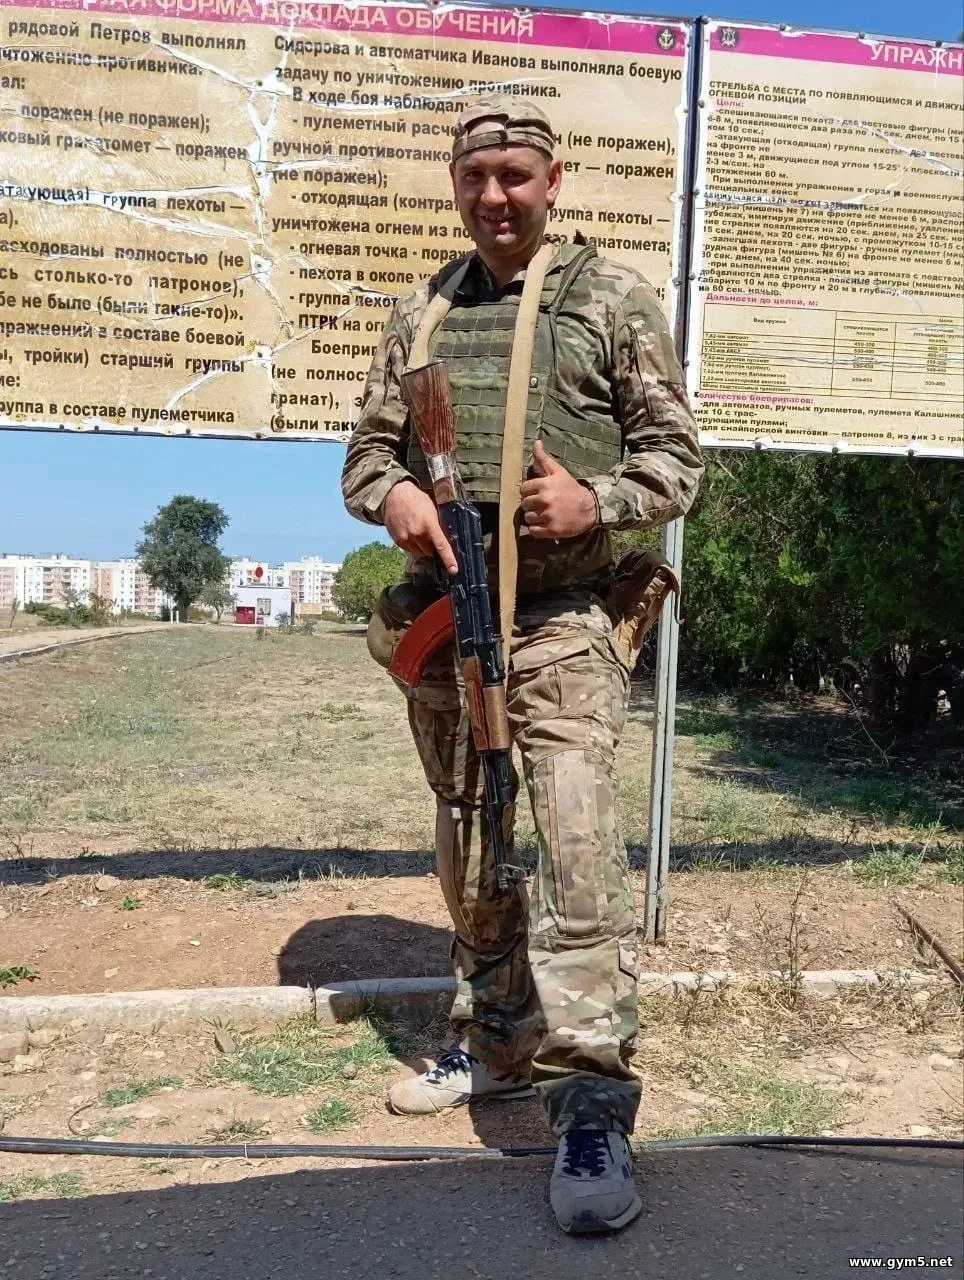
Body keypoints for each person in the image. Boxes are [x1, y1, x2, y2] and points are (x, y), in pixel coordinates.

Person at [341, 97, 703, 1235]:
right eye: (476, 176)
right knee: (471, 836)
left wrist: (596, 498)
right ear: (456, 185)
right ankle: (493, 1039)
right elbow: (364, 455)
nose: (494, 195)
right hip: (451, 622)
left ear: (554, 180)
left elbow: (677, 460)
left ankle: (590, 1102)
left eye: (515, 175)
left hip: (563, 617)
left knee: (576, 849)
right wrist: (395, 496)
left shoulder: (610, 299)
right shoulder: (423, 312)